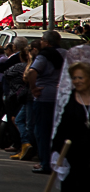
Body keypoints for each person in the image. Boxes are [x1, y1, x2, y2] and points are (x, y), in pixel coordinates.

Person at [51, 49, 90, 192]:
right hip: (76, 155)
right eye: (74, 78)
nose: (77, 81)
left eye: (81, 77)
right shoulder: (71, 100)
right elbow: (62, 126)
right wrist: (56, 152)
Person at [27, 30, 67, 174]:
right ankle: (59, 161)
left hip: (44, 96)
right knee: (58, 132)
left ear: (47, 42)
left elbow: (32, 72)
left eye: (42, 40)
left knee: (42, 131)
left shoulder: (43, 56)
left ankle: (46, 163)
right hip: (62, 96)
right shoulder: (66, 54)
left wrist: (34, 88)